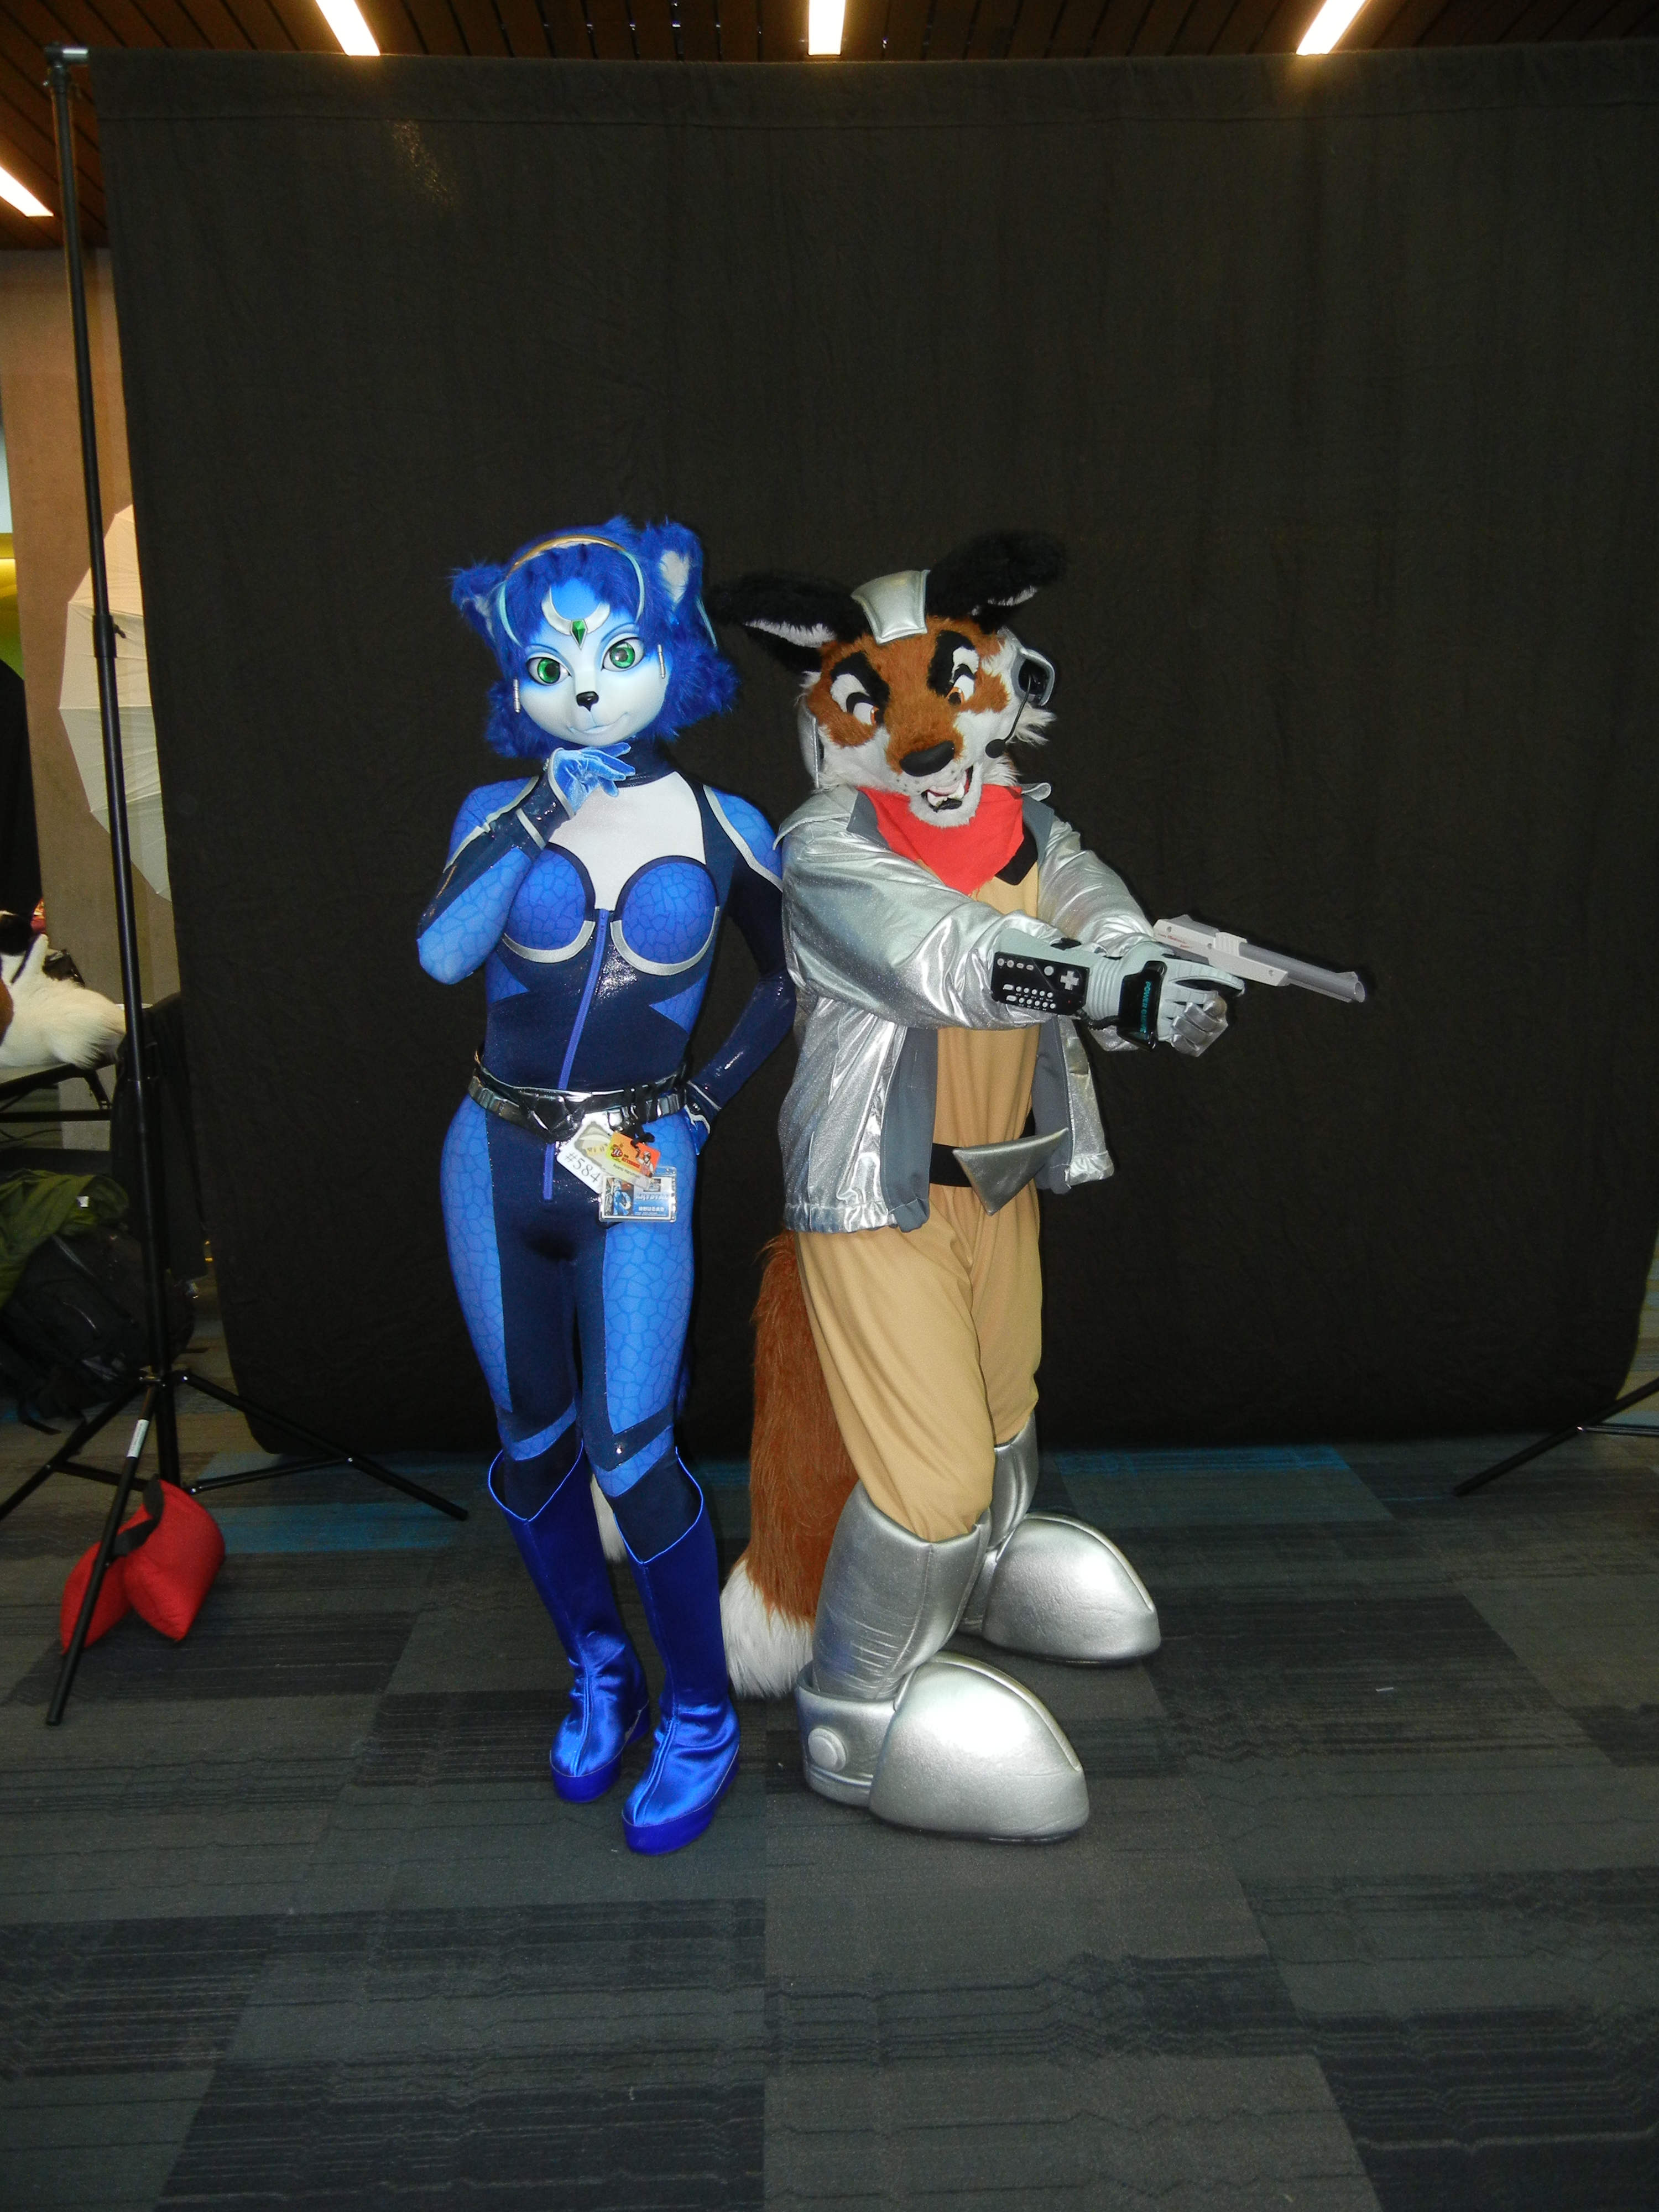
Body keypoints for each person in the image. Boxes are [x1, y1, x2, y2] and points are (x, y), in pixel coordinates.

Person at [418, 519, 794, 1854]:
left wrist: (704, 1103)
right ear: (512, 676)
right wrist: (541, 808)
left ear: (674, 650)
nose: (584, 684)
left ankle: (700, 1710)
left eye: (618, 650)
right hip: (495, 1151)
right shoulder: (493, 812)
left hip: (635, 1157)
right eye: (548, 662)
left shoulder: (725, 824)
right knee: (532, 1442)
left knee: (633, 1448)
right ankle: (601, 1663)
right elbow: (443, 954)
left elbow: (788, 980)